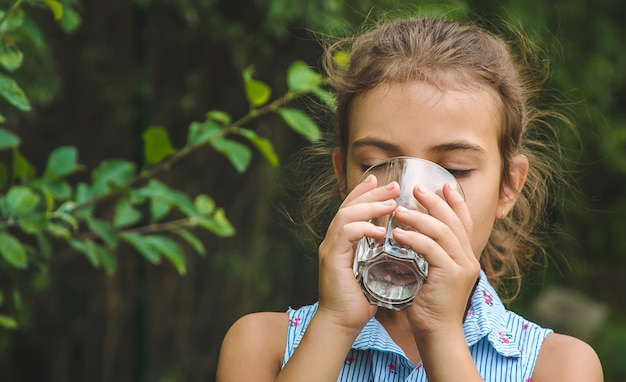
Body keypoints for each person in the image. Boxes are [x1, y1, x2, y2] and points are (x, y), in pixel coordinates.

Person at [216, 16, 603, 381]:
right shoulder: (263, 345)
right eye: (377, 164)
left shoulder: (559, 364)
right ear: (343, 176)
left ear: (508, 188)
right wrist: (334, 323)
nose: (410, 202)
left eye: (454, 170)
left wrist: (440, 333)